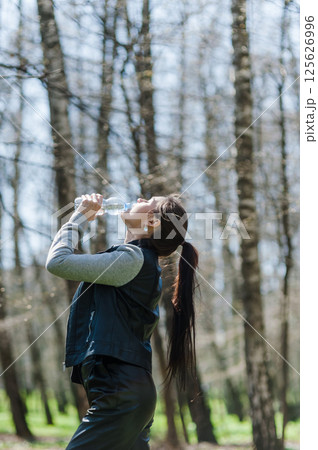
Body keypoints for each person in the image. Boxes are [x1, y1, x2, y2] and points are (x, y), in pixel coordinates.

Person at [46, 193, 199, 450]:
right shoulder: (134, 260)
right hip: (128, 395)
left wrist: (80, 217)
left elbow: (57, 262)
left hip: (122, 396)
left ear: (151, 221)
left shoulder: (132, 261)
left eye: (148, 199)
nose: (138, 197)